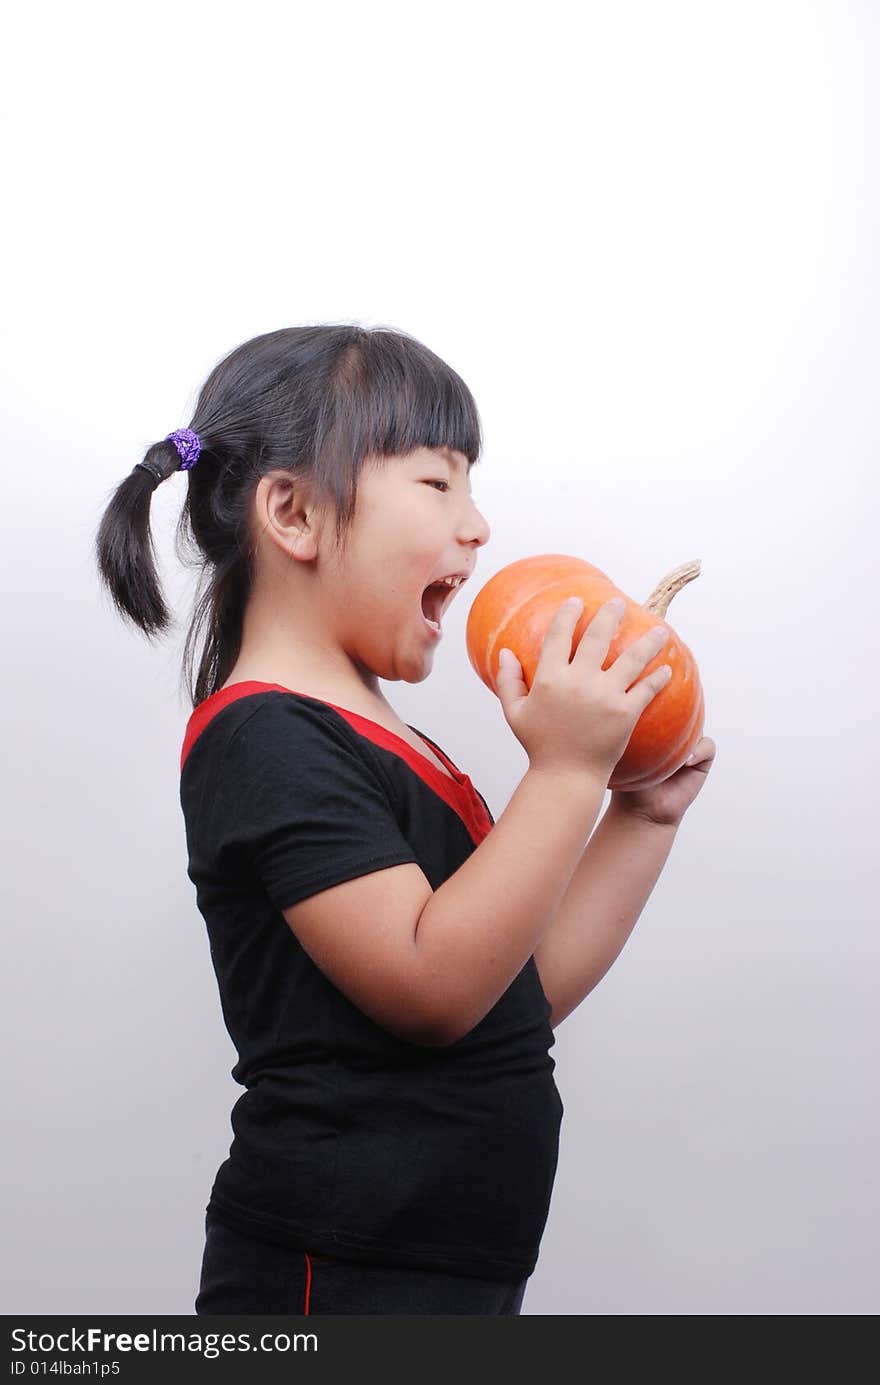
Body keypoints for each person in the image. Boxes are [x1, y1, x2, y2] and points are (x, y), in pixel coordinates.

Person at [94, 323, 684, 1315]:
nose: (478, 524)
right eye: (438, 482)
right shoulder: (263, 736)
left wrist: (639, 812)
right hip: (335, 1272)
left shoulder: (392, 739)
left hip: (449, 1265)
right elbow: (431, 984)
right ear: (294, 511)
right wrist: (568, 769)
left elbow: (511, 991)